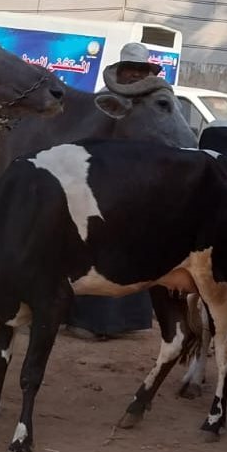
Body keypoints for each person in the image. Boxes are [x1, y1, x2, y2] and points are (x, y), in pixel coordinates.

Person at [64, 42, 164, 341]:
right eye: (129, 70)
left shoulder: (156, 105)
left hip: (136, 189)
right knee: (92, 253)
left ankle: (125, 322)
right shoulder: (104, 102)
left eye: (140, 71)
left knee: (128, 254)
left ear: (149, 74)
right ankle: (86, 321)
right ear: (118, 73)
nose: (134, 76)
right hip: (98, 188)